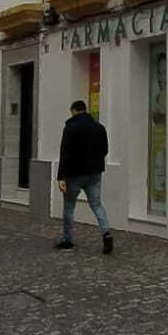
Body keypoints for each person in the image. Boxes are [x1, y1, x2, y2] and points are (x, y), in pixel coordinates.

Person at [55, 99, 112, 253]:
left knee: (69, 207)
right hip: (94, 174)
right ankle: (106, 232)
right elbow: (105, 150)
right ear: (85, 110)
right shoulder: (100, 128)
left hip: (74, 174)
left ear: (74, 111)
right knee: (96, 205)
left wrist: (61, 177)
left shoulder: (70, 128)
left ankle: (68, 239)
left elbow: (64, 153)